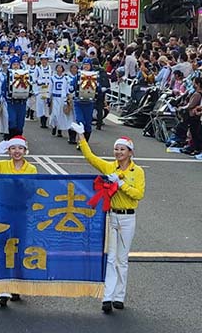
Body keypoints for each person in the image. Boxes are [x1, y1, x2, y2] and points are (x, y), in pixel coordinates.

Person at [71, 122, 145, 313]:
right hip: (111, 216)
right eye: (116, 149)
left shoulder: (137, 172)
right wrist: (81, 136)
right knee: (111, 257)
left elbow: (138, 194)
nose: (118, 152)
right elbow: (91, 158)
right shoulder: (110, 167)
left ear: (130, 152)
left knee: (122, 259)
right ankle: (108, 297)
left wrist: (120, 184)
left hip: (128, 217)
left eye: (122, 149)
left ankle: (119, 296)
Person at [0, 135, 37, 307]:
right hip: (2, 211)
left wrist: (21, 184)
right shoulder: (2, 165)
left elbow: (32, 190)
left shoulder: (31, 169)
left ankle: (17, 285)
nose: (17, 151)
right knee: (2, 249)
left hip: (20, 212)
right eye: (13, 148)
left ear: (25, 151)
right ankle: (2, 289)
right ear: (8, 151)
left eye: (20, 148)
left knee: (19, 250)